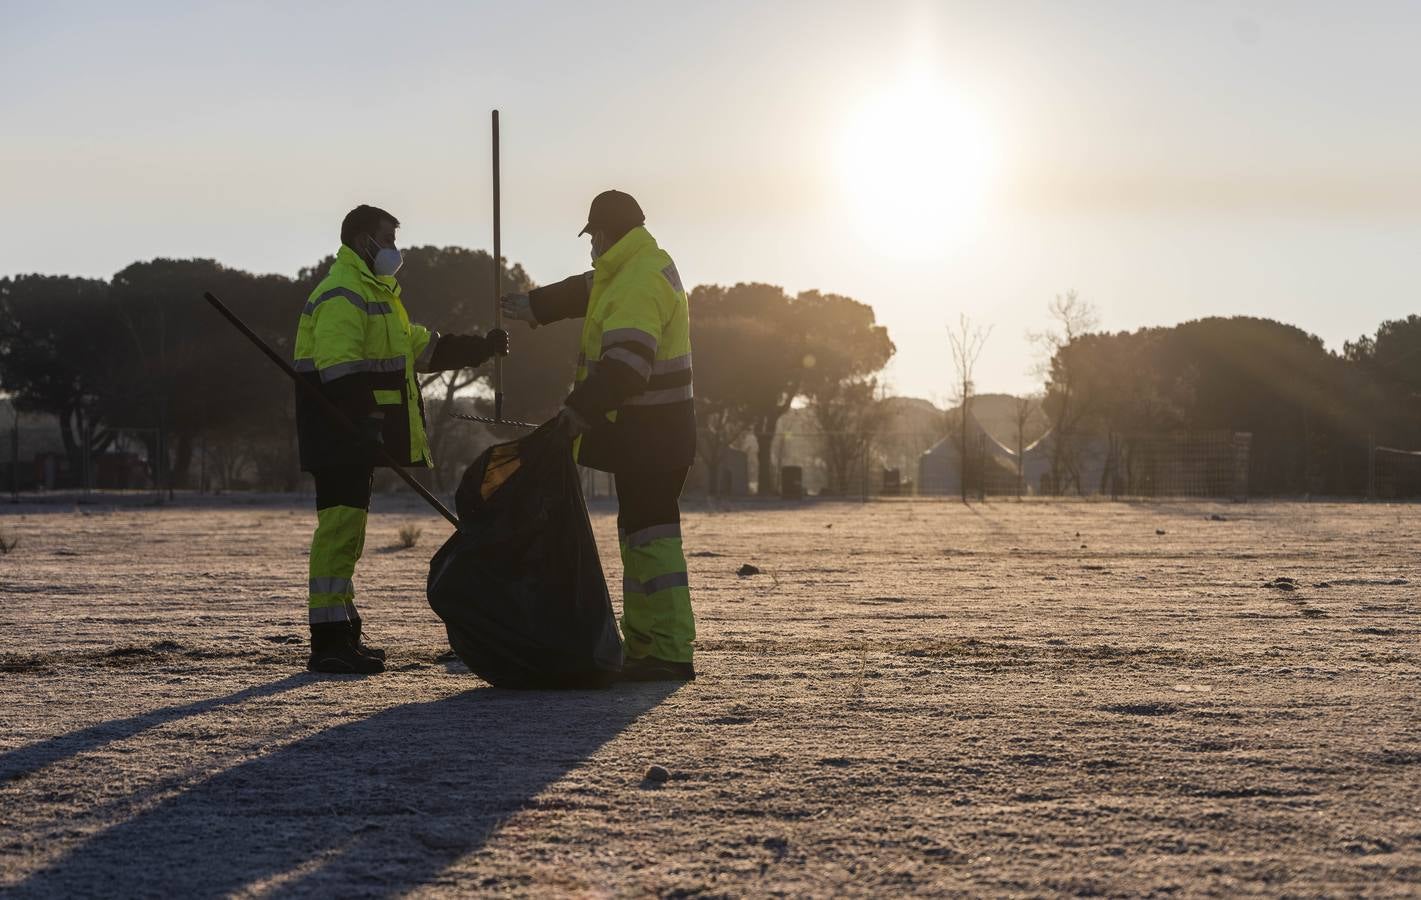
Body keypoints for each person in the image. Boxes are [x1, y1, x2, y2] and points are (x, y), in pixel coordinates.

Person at [295, 204, 509, 674]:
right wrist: (367, 422)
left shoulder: (379, 296)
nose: (394, 249)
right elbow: (339, 369)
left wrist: (480, 347)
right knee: (337, 535)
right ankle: (328, 643)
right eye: (387, 239)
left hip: (356, 437)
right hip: (338, 436)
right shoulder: (341, 294)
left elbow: (423, 348)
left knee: (347, 535)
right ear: (361, 242)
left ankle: (344, 632)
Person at [501, 190, 697, 681]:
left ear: (605, 234)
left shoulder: (636, 281)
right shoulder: (636, 264)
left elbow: (626, 367)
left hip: (654, 435)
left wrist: (576, 412)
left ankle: (670, 652)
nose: (591, 249)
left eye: (593, 238)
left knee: (652, 539)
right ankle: (647, 646)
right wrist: (534, 306)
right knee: (638, 536)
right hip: (650, 435)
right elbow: (585, 289)